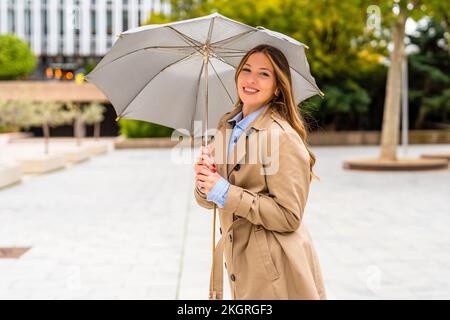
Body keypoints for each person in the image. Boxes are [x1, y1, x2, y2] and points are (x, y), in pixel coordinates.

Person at [194, 44, 326, 300]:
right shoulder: (227, 127)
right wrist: (204, 179)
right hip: (240, 265)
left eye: (264, 73)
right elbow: (209, 200)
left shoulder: (282, 136)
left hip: (276, 270)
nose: (251, 79)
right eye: (246, 70)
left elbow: (289, 216)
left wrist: (223, 190)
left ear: (278, 86)